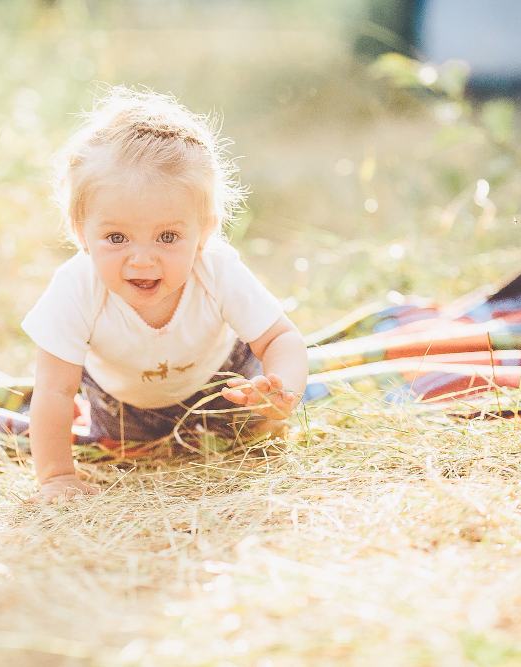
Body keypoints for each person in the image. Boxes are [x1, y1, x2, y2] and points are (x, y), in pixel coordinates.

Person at [22, 87, 308, 503]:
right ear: (80, 231)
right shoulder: (76, 288)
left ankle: (262, 422)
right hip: (124, 406)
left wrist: (284, 392)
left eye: (168, 237)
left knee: (253, 431)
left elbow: (281, 338)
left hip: (220, 385)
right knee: (135, 454)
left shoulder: (217, 269)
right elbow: (53, 390)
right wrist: (56, 475)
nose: (142, 260)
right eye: (116, 237)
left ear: (205, 231)